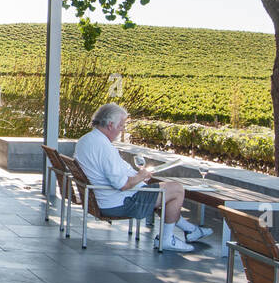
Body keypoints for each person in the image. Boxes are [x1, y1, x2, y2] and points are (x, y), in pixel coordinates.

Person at [74, 103, 213, 252]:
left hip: (104, 198)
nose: (122, 129)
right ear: (110, 125)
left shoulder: (86, 140)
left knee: (163, 194)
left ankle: (191, 230)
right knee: (176, 189)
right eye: (121, 125)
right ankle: (166, 240)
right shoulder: (104, 147)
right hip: (120, 202)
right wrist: (140, 176)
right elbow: (122, 185)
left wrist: (139, 177)